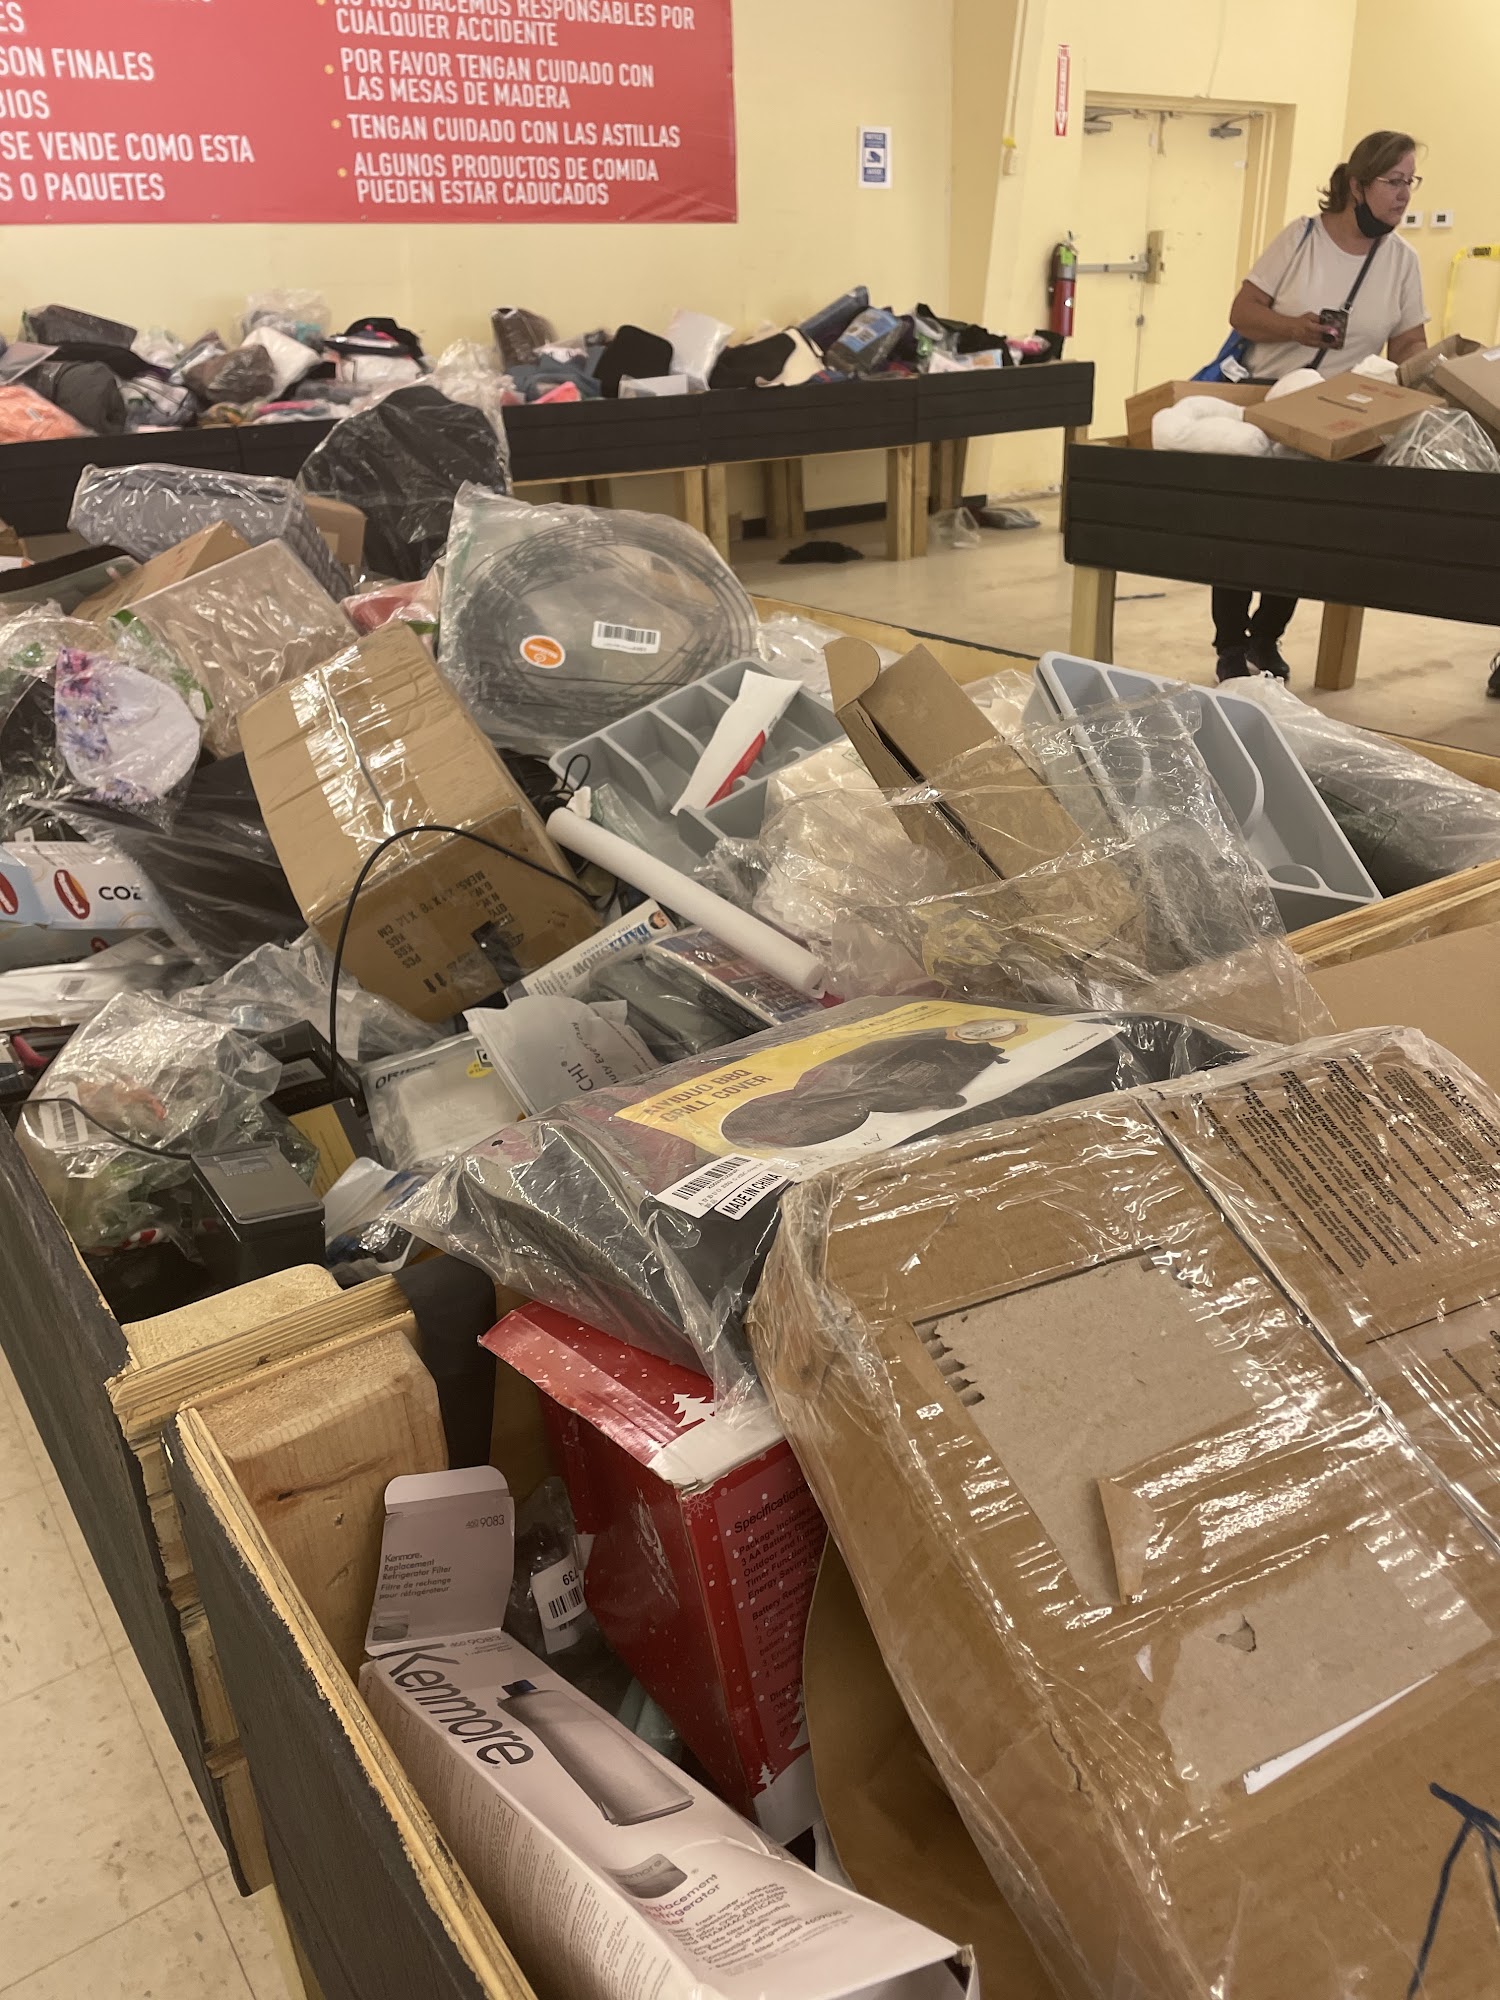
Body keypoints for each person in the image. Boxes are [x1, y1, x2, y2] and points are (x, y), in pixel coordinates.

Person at [1211, 130, 1429, 683]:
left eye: (1411, 182)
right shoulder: (1302, 238)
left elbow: (1409, 342)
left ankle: (1266, 637)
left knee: (1303, 533)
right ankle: (1230, 644)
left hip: (1338, 417)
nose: (1404, 195)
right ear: (1357, 185)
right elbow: (1242, 312)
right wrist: (1295, 328)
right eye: (1393, 181)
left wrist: (1422, 371)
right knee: (1244, 529)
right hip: (1269, 401)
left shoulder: (1402, 260)